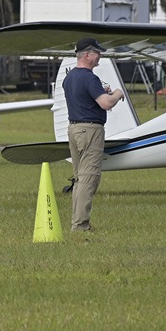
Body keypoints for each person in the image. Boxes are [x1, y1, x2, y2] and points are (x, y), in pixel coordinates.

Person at [62, 37, 125, 232]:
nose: (100, 56)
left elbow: (84, 98)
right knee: (89, 178)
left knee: (80, 178)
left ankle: (77, 221)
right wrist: (117, 93)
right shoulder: (90, 77)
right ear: (87, 55)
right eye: (97, 53)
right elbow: (106, 103)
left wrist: (101, 92)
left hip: (74, 129)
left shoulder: (69, 77)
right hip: (90, 130)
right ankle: (80, 226)